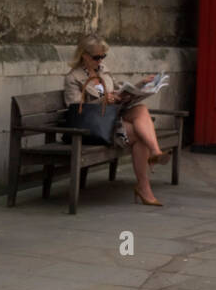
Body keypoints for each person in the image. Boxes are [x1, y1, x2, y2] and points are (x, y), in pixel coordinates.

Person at [64, 33, 168, 206]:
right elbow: (74, 108)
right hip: (96, 126)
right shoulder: (73, 78)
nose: (100, 61)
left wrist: (142, 84)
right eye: (96, 57)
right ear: (84, 55)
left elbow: (119, 89)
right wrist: (102, 101)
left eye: (103, 56)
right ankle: (144, 186)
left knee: (141, 109)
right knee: (139, 136)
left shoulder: (103, 70)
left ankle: (156, 153)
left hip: (114, 116)